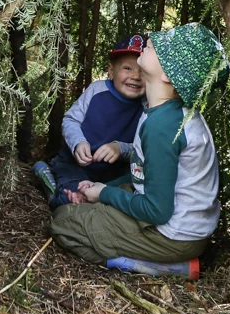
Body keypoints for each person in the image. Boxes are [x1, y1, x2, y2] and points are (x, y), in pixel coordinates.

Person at [50, 22, 229, 266]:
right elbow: (144, 177)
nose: (148, 44)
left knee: (62, 222)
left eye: (155, 48)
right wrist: (103, 187)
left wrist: (103, 193)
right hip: (175, 221)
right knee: (90, 201)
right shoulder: (159, 110)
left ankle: (164, 268)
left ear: (168, 74)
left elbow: (157, 211)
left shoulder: (163, 126)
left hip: (173, 235)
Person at [33, 35, 147, 208]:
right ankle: (52, 188)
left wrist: (120, 148)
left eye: (143, 70)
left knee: (126, 191)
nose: (136, 76)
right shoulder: (97, 91)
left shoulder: (148, 105)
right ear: (111, 70)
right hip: (77, 165)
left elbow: (145, 149)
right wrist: (78, 143)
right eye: (127, 68)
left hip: (114, 173)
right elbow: (71, 120)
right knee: (70, 197)